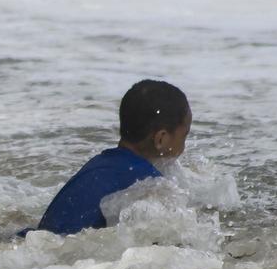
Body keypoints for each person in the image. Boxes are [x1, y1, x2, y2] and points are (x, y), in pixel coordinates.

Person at [36, 80, 191, 235]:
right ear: (161, 139)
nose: (183, 146)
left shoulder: (99, 164)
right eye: (184, 136)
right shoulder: (150, 183)